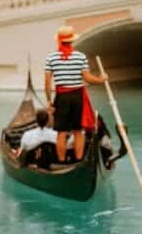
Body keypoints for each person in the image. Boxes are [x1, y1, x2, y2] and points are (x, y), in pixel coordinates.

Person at [44, 25, 107, 163]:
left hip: (62, 97)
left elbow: (47, 83)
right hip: (78, 97)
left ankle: (61, 162)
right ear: (72, 41)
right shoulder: (80, 57)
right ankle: (79, 160)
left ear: (59, 41)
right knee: (78, 131)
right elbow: (88, 79)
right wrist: (101, 79)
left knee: (61, 132)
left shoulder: (51, 58)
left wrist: (49, 101)